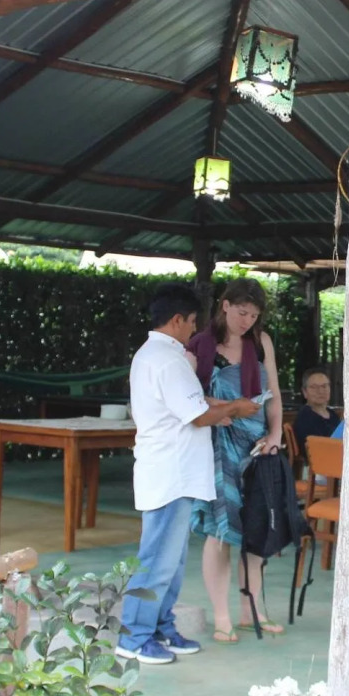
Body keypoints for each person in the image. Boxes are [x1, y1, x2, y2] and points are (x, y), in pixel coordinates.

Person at [119, 282, 259, 665]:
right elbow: (199, 414)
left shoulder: (158, 355)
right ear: (177, 320)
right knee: (156, 560)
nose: (195, 330)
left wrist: (225, 405)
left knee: (171, 560)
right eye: (193, 322)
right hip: (170, 474)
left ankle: (162, 627)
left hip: (172, 473)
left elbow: (194, 402)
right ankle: (134, 637)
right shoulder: (167, 359)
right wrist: (235, 410)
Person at [186, 279, 284, 644]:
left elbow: (272, 392)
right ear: (225, 306)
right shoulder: (199, 345)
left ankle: (251, 611)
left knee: (257, 528)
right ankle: (222, 616)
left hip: (257, 446)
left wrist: (274, 436)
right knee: (220, 532)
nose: (247, 321)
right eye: (242, 312)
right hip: (216, 445)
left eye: (254, 315)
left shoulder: (261, 343)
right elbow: (188, 397)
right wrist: (220, 408)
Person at [293, 367, 340, 443]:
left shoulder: (333, 415)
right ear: (304, 392)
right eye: (314, 387)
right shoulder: (305, 417)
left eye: (324, 386)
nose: (320, 391)